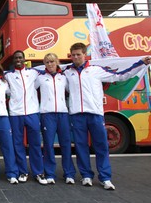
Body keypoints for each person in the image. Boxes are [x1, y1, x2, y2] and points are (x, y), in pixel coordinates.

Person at [64, 42, 151, 190]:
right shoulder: (67, 72)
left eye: (79, 54)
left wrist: (140, 63)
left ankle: (105, 177)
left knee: (101, 146)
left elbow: (121, 76)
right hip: (77, 115)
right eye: (73, 55)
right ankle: (86, 176)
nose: (76, 57)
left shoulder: (96, 70)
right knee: (80, 146)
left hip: (95, 114)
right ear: (71, 56)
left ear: (85, 55)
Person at [4, 50, 47, 185]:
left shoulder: (34, 72)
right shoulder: (7, 75)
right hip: (16, 114)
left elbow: (54, 68)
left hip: (32, 113)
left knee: (35, 144)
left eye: (20, 58)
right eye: (16, 58)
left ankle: (38, 172)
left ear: (24, 59)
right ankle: (23, 172)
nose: (18, 60)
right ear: (13, 61)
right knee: (18, 144)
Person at [35, 53, 76, 184]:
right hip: (47, 115)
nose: (50, 64)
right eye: (47, 62)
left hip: (63, 114)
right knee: (48, 145)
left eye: (52, 61)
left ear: (57, 62)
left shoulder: (63, 77)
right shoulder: (40, 78)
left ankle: (69, 173)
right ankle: (50, 174)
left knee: (66, 145)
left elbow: (74, 90)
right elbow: (28, 89)